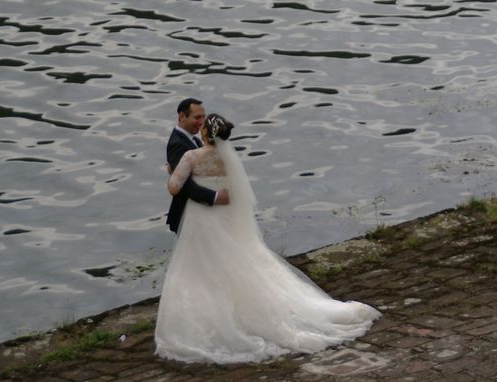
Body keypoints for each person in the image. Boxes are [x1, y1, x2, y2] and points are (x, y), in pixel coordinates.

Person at [156, 113, 380, 363]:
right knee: (237, 263)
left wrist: (171, 171)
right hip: (226, 219)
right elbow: (237, 192)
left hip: (201, 221)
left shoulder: (191, 156)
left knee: (199, 269)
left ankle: (209, 318)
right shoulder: (230, 158)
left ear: (206, 133)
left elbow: (174, 188)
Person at [166, 98, 228, 233]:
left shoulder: (194, 139)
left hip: (203, 210)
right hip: (187, 213)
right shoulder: (177, 144)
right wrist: (216, 197)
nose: (202, 122)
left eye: (203, 117)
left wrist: (174, 174)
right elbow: (184, 186)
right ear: (182, 116)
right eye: (197, 117)